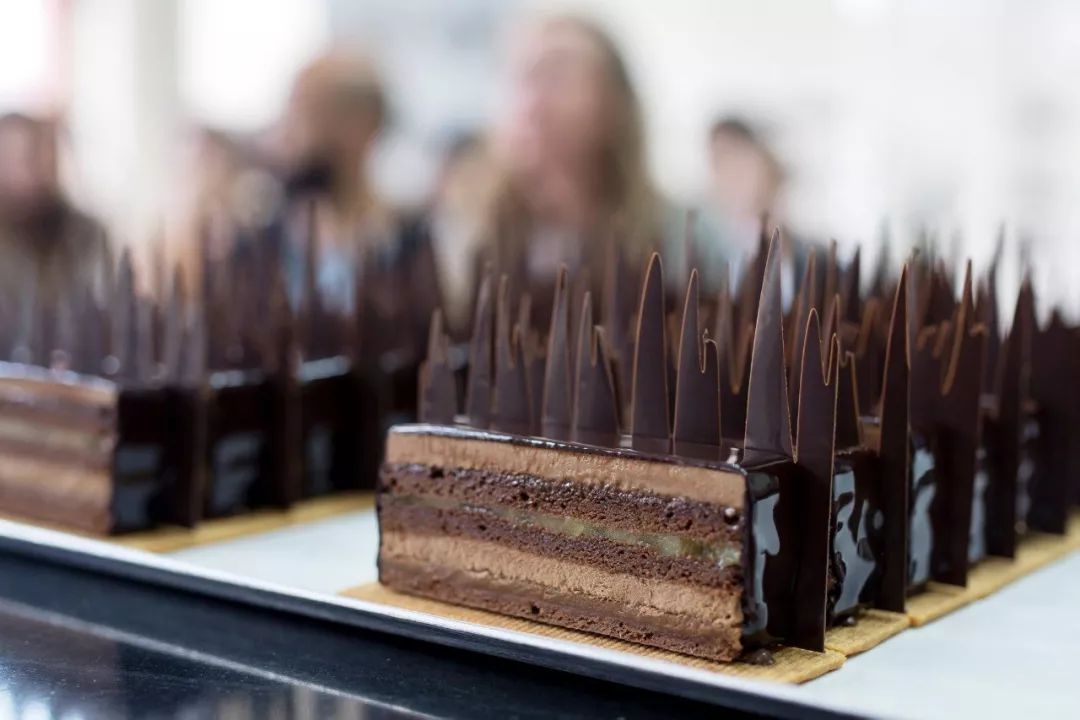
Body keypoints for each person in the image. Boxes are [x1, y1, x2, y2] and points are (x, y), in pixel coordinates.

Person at [459, 13, 692, 327]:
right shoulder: (471, 233)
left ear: (614, 104)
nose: (532, 101)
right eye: (521, 78)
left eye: (556, 76)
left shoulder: (675, 236)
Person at [0, 113, 113, 359]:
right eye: (12, 159)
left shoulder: (86, 234)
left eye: (34, 157)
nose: (25, 173)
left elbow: (103, 304)